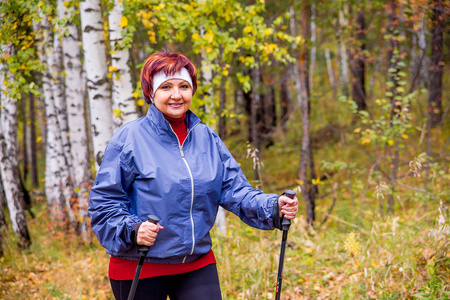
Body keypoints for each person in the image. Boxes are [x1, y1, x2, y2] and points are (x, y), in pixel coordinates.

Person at [88, 50, 299, 300]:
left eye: (184, 86)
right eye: (166, 86)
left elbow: (235, 191)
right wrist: (133, 229)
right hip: (139, 264)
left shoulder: (207, 138)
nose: (176, 95)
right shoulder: (129, 139)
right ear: (150, 92)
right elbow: (104, 204)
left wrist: (273, 206)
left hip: (196, 263)